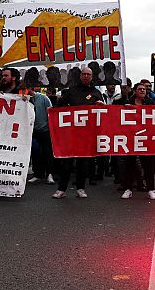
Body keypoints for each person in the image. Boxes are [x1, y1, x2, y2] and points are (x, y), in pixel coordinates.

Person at [52, 67, 103, 199]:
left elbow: (103, 114)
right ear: (80, 76)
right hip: (71, 133)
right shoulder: (71, 91)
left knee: (83, 163)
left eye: (88, 74)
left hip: (86, 135)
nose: (86, 76)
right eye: (84, 74)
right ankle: (61, 189)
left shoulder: (96, 93)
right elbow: (59, 107)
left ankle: (81, 188)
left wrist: (100, 106)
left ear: (92, 77)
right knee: (67, 162)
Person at [119, 84, 155, 200]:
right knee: (130, 164)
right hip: (131, 137)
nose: (142, 91)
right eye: (140, 89)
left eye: (144, 89)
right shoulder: (127, 102)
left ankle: (151, 189)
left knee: (148, 165)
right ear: (135, 91)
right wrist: (124, 108)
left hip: (146, 138)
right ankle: (128, 189)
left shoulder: (151, 103)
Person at [24, 81, 55, 185]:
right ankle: (38, 174)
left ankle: (50, 174)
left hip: (45, 130)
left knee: (48, 152)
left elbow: (50, 113)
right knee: (35, 153)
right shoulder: (24, 100)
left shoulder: (43, 98)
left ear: (29, 89)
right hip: (33, 131)